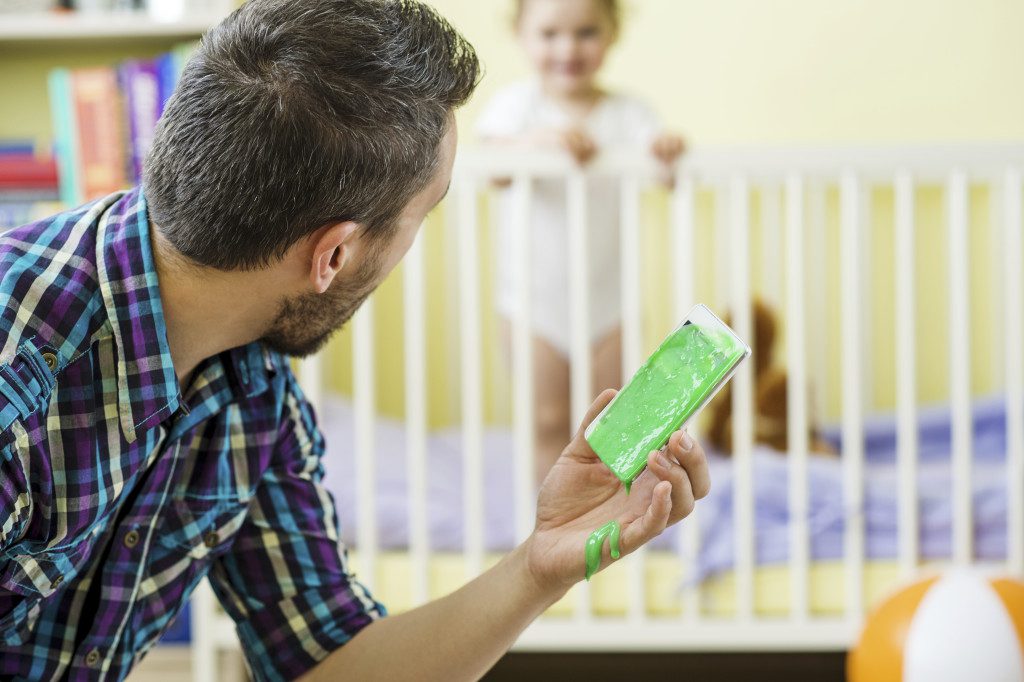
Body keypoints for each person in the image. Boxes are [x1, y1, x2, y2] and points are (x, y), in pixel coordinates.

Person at [0, 1, 709, 680]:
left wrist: (537, 565)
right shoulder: (17, 366)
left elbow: (329, 664)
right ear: (332, 256)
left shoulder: (251, 386)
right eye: (421, 216)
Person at [476, 0, 686, 485]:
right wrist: (537, 144)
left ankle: (607, 519)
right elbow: (492, 168)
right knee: (546, 421)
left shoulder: (630, 113)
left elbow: (666, 172)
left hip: (610, 305)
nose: (567, 48)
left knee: (611, 424)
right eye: (549, 34)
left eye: (587, 32)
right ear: (520, 34)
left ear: (613, 33)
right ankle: (548, 523)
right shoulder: (516, 108)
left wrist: (666, 150)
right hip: (532, 304)